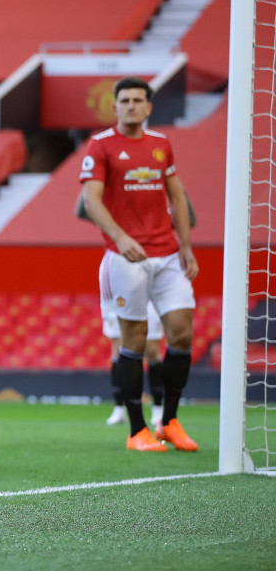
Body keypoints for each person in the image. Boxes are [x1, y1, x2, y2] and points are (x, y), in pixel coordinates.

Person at [79, 76, 199, 452]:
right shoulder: (99, 147)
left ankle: (170, 421)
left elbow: (177, 199)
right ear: (114, 107)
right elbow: (90, 200)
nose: (131, 106)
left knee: (181, 333)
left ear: (149, 107)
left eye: (138, 100)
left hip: (167, 255)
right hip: (125, 258)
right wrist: (120, 237)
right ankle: (136, 431)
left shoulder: (162, 145)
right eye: (125, 100)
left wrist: (187, 246)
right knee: (133, 341)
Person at [75, 190, 199, 426]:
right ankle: (121, 407)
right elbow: (83, 210)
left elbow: (189, 220)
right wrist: (97, 188)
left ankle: (159, 408)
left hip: (157, 270)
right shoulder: (121, 197)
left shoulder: (163, 195)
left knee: (151, 347)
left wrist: (177, 195)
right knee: (118, 343)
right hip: (122, 269)